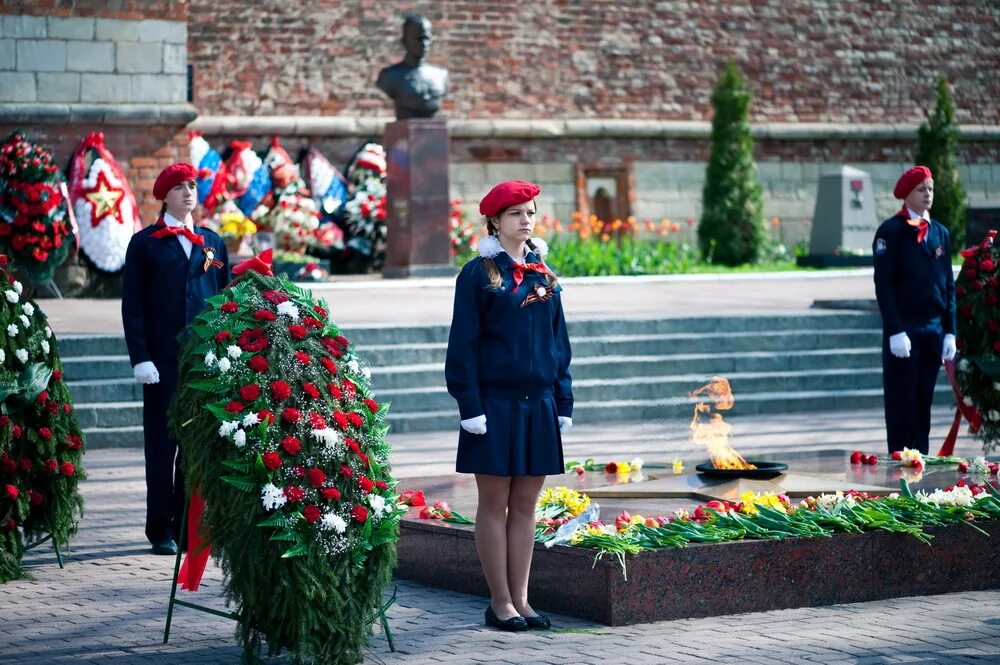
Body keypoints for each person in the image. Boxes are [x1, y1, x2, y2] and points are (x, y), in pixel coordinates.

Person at [445, 180, 573, 632]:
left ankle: (523, 600)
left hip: (537, 405)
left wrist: (562, 398)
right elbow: (463, 346)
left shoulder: (544, 275)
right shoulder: (478, 274)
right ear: (495, 221)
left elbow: (560, 344)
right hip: (493, 407)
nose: (526, 220)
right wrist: (469, 405)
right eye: (516, 213)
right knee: (494, 504)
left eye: (531, 212)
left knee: (526, 507)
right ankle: (499, 602)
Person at [121, 163, 230, 555]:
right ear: (164, 195)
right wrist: (141, 357)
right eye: (179, 187)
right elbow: (133, 306)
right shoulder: (146, 244)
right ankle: (160, 528)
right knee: (162, 446)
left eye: (192, 187)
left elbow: (224, 303)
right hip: (162, 364)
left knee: (195, 446)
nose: (188, 193)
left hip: (202, 363)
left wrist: (226, 352)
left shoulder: (212, 242)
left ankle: (188, 526)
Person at [873, 165, 956, 455]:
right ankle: (899, 461)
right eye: (922, 189)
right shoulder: (891, 231)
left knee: (923, 402)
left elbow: (948, 286)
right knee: (901, 402)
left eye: (930, 189)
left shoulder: (940, 233)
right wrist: (895, 329)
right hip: (904, 332)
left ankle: (921, 461)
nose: (928, 194)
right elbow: (884, 285)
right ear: (907, 195)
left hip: (933, 331)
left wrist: (950, 331)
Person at [376, 13, 449, 120]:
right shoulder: (390, 75)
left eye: (426, 38)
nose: (424, 44)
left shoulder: (441, 75)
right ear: (404, 41)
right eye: (418, 39)